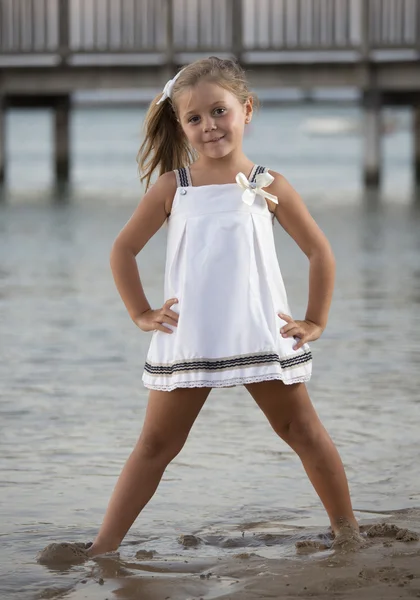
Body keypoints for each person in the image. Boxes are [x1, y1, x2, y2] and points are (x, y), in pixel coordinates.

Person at [39, 56, 362, 564]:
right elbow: (122, 250)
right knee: (155, 446)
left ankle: (348, 533)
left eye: (220, 111)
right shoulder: (174, 188)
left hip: (258, 331)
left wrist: (315, 319)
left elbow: (320, 251)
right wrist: (141, 313)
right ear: (180, 125)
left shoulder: (267, 184)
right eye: (195, 118)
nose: (209, 125)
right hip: (189, 337)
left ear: (246, 110)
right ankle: (103, 547)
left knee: (302, 431)